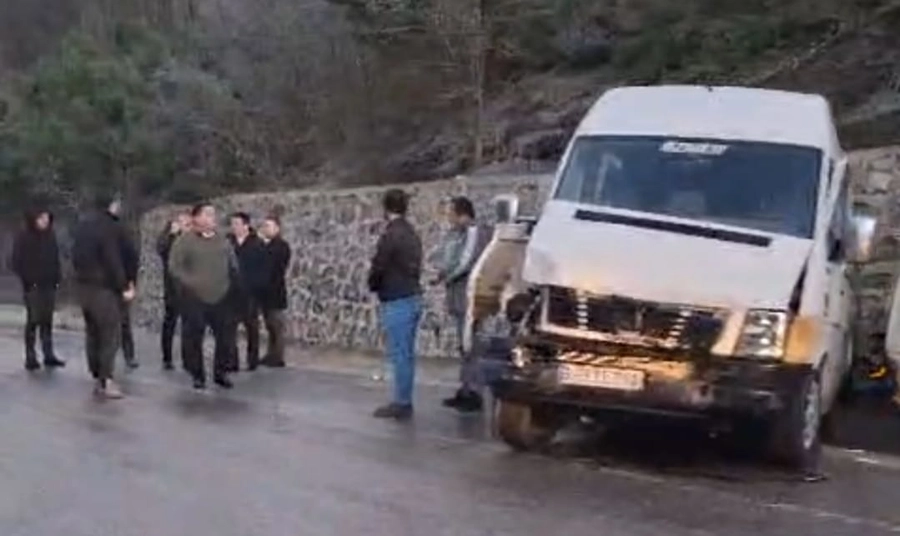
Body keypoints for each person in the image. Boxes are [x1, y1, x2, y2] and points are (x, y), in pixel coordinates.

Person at [168, 202, 238, 390]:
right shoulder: (184, 241)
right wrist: (190, 282)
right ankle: (197, 374)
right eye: (207, 214)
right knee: (194, 337)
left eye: (213, 214)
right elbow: (174, 267)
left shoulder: (222, 240)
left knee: (225, 337)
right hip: (194, 297)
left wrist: (232, 283)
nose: (212, 218)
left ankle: (221, 372)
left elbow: (232, 262)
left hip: (221, 294)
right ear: (196, 218)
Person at [367, 189, 423, 420]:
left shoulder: (391, 235)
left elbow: (379, 265)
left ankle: (402, 402)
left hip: (396, 297)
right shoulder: (411, 233)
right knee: (407, 353)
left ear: (386, 208)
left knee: (399, 353)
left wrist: (373, 284)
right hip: (412, 295)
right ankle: (404, 398)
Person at [72, 194, 134, 399]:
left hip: (84, 286)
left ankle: (96, 373)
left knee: (92, 332)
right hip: (104, 288)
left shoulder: (83, 226)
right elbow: (112, 258)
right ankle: (106, 379)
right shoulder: (109, 227)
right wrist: (124, 285)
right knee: (110, 334)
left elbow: (75, 256)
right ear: (112, 205)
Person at [435, 196, 491, 413]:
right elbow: (447, 257)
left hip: (470, 297)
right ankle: (465, 388)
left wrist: (446, 276)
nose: (449, 218)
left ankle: (474, 391)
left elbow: (466, 261)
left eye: (451, 213)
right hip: (459, 297)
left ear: (463, 214)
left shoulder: (474, 233)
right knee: (464, 344)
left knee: (471, 345)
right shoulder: (456, 234)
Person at [11, 206, 65, 371]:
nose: (45, 221)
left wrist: (57, 278)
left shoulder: (50, 236)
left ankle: (48, 354)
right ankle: (30, 355)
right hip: (33, 285)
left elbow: (55, 258)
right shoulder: (24, 236)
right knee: (33, 320)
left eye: (47, 218)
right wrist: (28, 278)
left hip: (49, 284)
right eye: (42, 218)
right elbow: (16, 261)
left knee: (47, 320)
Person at [227, 212, 267, 371]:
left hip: (250, 293)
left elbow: (263, 268)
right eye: (232, 224)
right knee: (230, 328)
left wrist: (257, 287)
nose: (234, 227)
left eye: (237, 223)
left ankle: (252, 360)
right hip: (230, 292)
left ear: (246, 225)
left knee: (252, 327)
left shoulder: (257, 244)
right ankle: (232, 361)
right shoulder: (228, 243)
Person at [157, 212, 192, 370]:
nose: (186, 227)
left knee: (189, 326)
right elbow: (161, 250)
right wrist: (171, 235)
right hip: (173, 289)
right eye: (183, 223)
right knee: (170, 323)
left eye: (188, 224)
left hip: (190, 289)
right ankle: (167, 357)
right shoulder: (170, 240)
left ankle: (188, 358)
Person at [258, 215, 291, 368]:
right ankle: (271, 354)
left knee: (277, 327)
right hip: (265, 293)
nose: (266, 229)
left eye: (269, 226)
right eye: (265, 226)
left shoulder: (281, 246)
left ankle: (278, 356)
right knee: (270, 326)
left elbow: (275, 265)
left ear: (277, 228)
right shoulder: (266, 245)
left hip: (276, 292)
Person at [118, 212, 140, 370]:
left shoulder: (126, 244)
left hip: (122, 283)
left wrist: (131, 283)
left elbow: (132, 264)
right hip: (109, 284)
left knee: (124, 322)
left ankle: (129, 355)